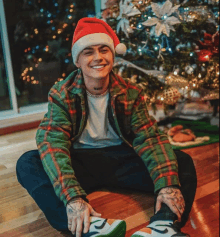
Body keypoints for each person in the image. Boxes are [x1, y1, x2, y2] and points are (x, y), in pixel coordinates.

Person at [16, 17, 197, 237]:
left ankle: (164, 226)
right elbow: (52, 141)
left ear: (112, 55)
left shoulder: (131, 92)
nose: (98, 57)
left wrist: (168, 184)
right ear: (77, 61)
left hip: (121, 160)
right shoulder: (61, 93)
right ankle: (88, 226)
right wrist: (73, 197)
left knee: (182, 162)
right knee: (28, 163)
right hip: (81, 163)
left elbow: (148, 138)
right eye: (88, 52)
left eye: (104, 50)